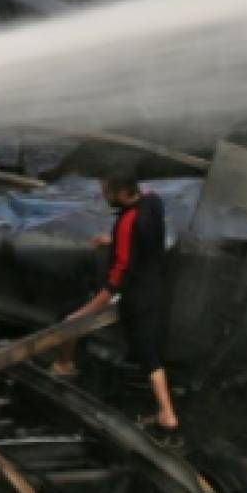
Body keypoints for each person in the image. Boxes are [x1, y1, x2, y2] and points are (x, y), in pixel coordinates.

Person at [57, 166, 179, 447]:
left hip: (133, 296)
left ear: (123, 193)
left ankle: (65, 365)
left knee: (70, 318)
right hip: (155, 287)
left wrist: (84, 313)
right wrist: (111, 241)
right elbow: (145, 241)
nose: (105, 197)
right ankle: (166, 413)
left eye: (108, 193)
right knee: (150, 354)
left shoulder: (126, 223)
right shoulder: (153, 201)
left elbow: (116, 280)